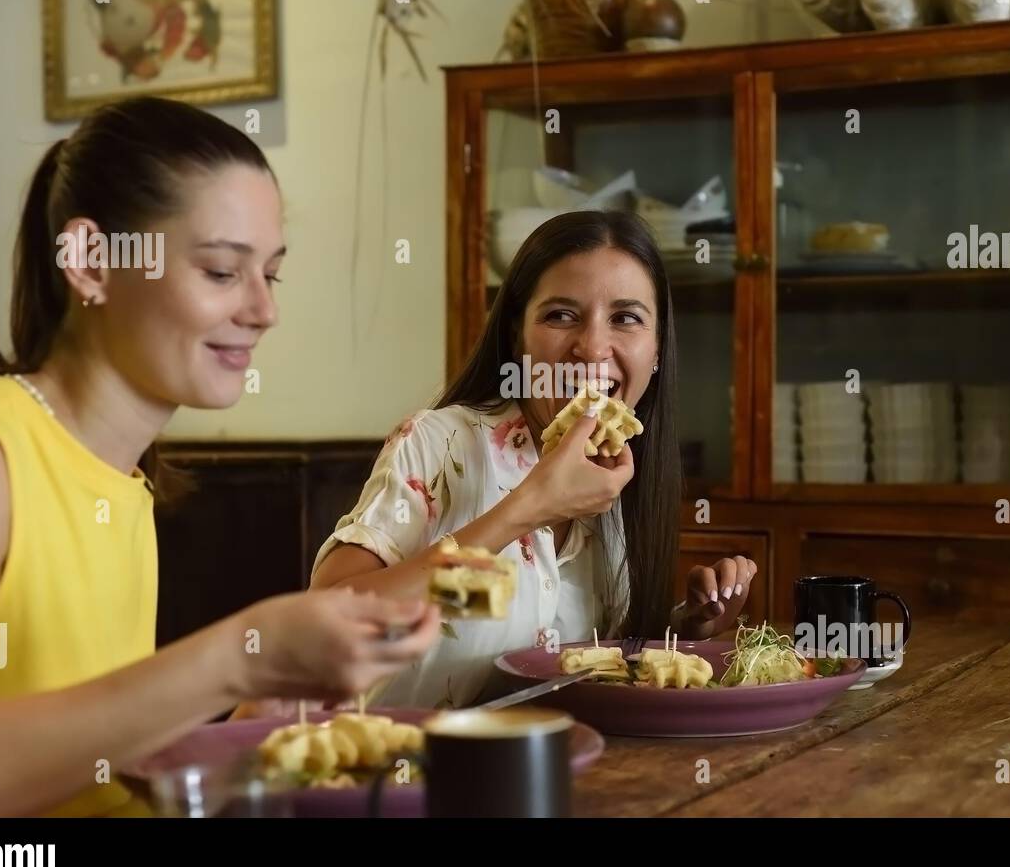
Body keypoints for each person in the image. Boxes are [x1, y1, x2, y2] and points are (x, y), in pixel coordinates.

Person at [0, 97, 438, 817]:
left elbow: (92, 764)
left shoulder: (125, 478)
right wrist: (235, 658)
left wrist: (251, 714)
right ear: (91, 262)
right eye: (222, 271)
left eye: (270, 274)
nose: (263, 309)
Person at [309, 210, 755, 709]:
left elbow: (580, 662)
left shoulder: (620, 474)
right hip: (396, 772)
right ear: (517, 339)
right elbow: (323, 620)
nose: (591, 348)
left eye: (625, 318)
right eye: (560, 315)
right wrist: (528, 506)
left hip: (549, 769)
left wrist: (688, 628)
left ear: (656, 350)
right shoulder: (439, 444)